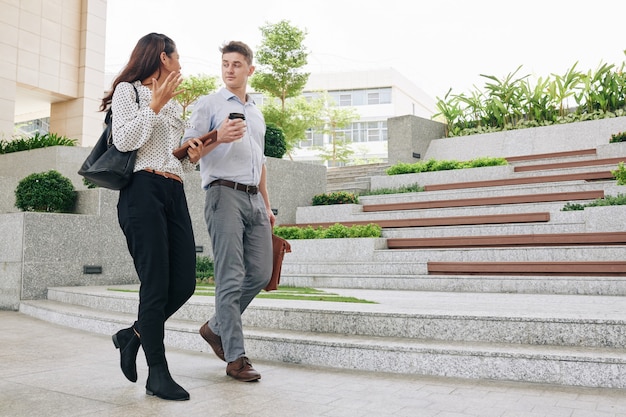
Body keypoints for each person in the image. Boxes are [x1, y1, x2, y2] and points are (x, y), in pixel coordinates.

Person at [105, 33, 204, 401]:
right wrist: (155, 105)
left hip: (174, 190)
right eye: (177, 55)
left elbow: (170, 155)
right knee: (155, 282)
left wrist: (191, 157)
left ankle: (132, 336)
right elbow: (125, 141)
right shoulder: (127, 92)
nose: (180, 62)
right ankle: (157, 374)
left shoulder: (176, 104)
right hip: (141, 192)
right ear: (164, 57)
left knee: (185, 283)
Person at [182, 40, 275, 382]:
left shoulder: (257, 112)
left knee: (261, 273)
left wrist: (266, 205)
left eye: (237, 64)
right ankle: (236, 358)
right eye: (225, 63)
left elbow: (261, 163)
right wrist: (218, 137)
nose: (230, 69)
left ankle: (215, 327)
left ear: (250, 70)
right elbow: (189, 153)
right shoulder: (210, 103)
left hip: (254, 200)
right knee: (230, 277)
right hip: (223, 194)